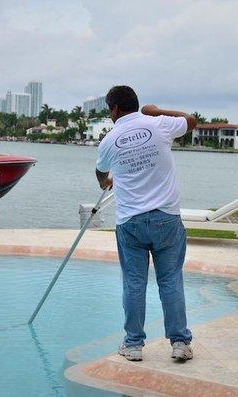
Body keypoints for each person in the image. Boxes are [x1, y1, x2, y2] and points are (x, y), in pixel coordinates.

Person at [95, 85, 197, 362]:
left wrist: (107, 182)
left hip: (131, 222)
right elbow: (191, 120)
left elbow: (101, 171)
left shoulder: (109, 139)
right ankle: (179, 343)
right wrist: (157, 110)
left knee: (134, 283)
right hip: (166, 217)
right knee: (171, 280)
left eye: (108, 109)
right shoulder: (158, 124)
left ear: (115, 109)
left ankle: (133, 345)